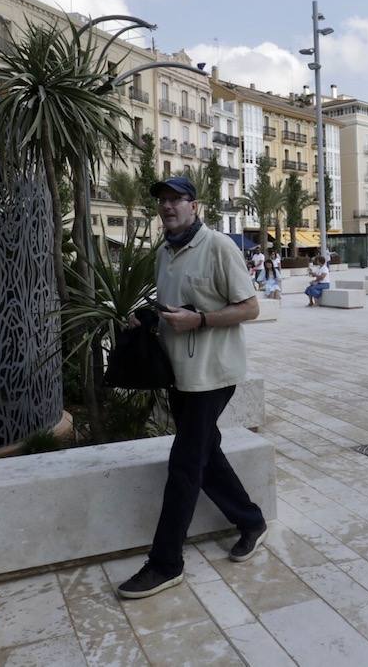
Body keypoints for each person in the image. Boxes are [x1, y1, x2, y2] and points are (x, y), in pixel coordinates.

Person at [117, 177, 266, 600]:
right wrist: (149, 320)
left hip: (214, 374)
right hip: (179, 374)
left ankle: (166, 562)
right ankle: (250, 520)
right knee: (206, 453)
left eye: (175, 199)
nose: (167, 207)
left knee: (184, 463)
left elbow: (250, 307)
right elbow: (171, 308)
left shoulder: (219, 247)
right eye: (162, 200)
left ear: (193, 205)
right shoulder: (163, 253)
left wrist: (199, 320)